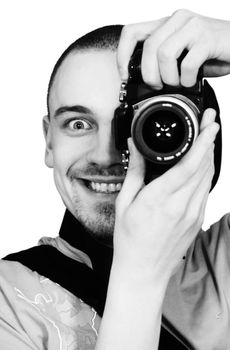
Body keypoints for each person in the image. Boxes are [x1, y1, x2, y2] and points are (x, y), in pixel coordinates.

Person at [1, 9, 230, 350]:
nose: (106, 155)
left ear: (199, 137)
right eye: (78, 124)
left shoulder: (223, 261)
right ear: (49, 141)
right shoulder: (8, 300)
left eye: (137, 124)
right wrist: (139, 277)